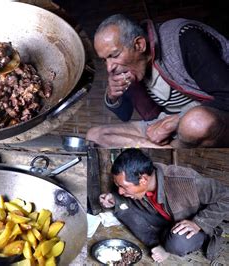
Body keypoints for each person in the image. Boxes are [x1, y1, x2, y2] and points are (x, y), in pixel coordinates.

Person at [86, 14, 229, 148]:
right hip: (161, 123)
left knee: (196, 123)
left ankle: (165, 148)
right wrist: (112, 96)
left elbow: (226, 95)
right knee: (94, 136)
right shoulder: (131, 67)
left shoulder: (183, 37)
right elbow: (125, 115)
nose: (109, 68)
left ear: (139, 45)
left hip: (205, 117)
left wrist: (177, 120)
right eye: (105, 60)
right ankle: (160, 148)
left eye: (114, 55)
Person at [99, 148, 228, 262]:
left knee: (178, 243)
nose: (120, 191)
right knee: (122, 208)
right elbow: (122, 197)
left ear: (143, 180)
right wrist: (114, 198)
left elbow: (226, 197)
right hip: (164, 222)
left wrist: (199, 223)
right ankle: (157, 244)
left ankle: (168, 245)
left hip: (189, 227)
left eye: (123, 187)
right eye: (118, 186)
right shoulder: (143, 182)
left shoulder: (185, 181)